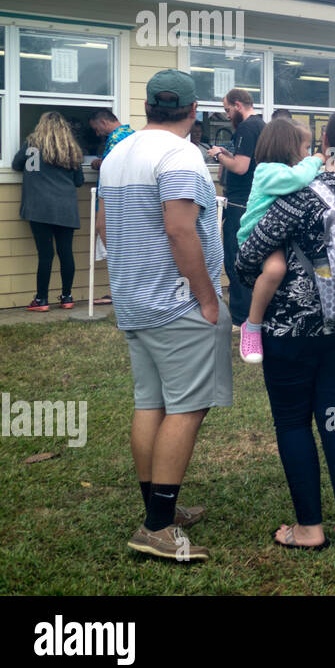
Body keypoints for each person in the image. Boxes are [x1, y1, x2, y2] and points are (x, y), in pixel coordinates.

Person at [97, 70, 231, 562]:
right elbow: (180, 230)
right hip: (178, 304)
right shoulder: (182, 155)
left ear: (148, 106)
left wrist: (134, 276)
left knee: (149, 403)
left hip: (134, 301)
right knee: (187, 408)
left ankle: (157, 510)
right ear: (194, 113)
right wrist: (207, 298)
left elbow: (106, 226)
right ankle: (157, 527)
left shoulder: (117, 153)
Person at [235, 107, 335, 552]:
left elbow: (246, 260)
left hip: (291, 332)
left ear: (323, 145)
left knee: (294, 422)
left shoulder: (299, 195)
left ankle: (309, 529)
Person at [234, 118, 327, 365]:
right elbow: (299, 179)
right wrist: (316, 159)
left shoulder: (292, 170)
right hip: (259, 237)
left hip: (282, 234)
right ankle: (252, 325)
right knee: (276, 269)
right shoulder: (267, 171)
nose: (308, 154)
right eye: (305, 148)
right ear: (288, 147)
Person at [11, 112, 84, 311]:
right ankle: (67, 297)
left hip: (39, 207)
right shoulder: (71, 149)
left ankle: (41, 300)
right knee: (66, 252)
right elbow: (79, 182)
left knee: (45, 254)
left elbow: (16, 165)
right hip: (65, 208)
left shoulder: (31, 145)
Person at [208, 89, 264, 326]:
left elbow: (240, 167)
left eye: (228, 109)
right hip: (256, 201)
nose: (227, 115)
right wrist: (228, 153)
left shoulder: (246, 128)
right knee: (255, 261)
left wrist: (217, 156)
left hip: (241, 203)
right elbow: (247, 161)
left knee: (235, 259)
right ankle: (258, 314)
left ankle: (241, 319)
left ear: (238, 105)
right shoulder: (262, 125)